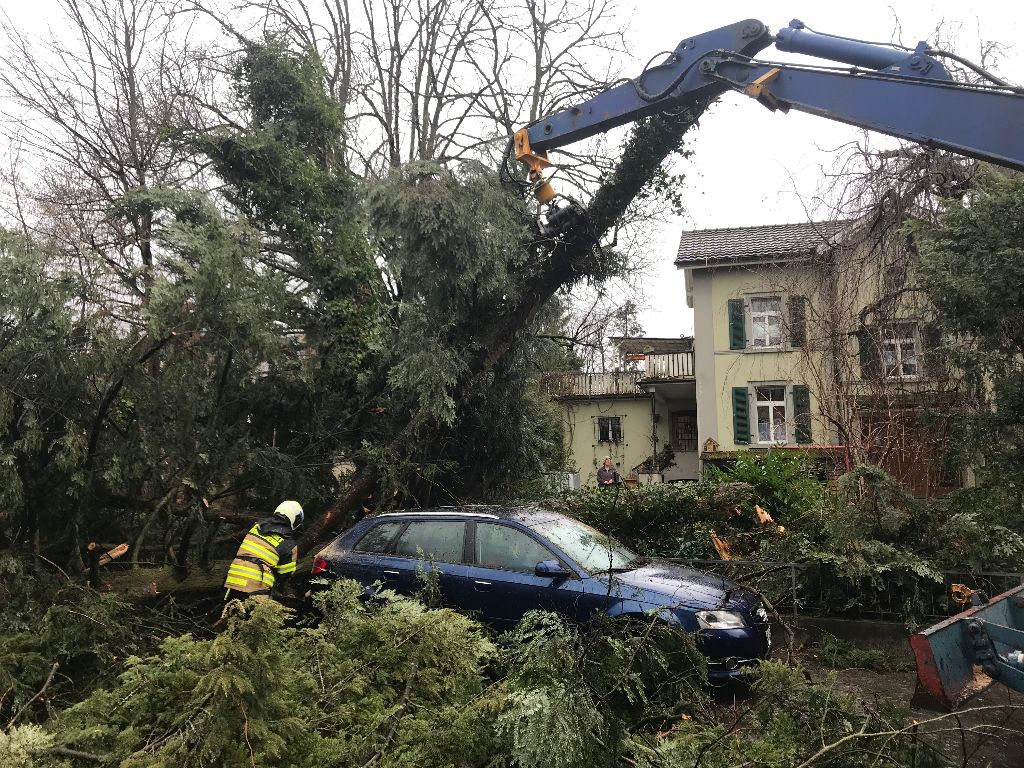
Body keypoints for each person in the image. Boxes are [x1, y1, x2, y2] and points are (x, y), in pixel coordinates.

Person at [224, 500, 303, 601]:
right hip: (256, 585)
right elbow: (285, 575)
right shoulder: (289, 544)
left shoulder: (256, 527)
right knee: (256, 611)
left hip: (233, 578)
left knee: (230, 607)